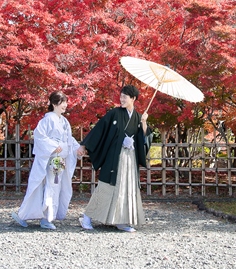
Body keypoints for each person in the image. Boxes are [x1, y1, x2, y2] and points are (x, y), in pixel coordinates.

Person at [76, 84, 152, 232]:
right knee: (106, 187)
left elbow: (145, 139)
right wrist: (84, 145)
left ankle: (121, 220)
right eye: (121, 96)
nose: (121, 99)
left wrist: (144, 123)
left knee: (127, 187)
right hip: (114, 157)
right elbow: (100, 129)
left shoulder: (138, 117)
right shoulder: (115, 113)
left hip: (130, 158)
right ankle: (87, 217)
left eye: (125, 97)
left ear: (133, 98)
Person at [11, 91, 80, 230]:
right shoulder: (47, 120)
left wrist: (78, 148)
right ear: (54, 104)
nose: (65, 105)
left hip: (59, 159)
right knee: (49, 186)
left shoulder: (64, 121)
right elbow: (39, 136)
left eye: (66, 102)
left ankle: (46, 216)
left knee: (55, 186)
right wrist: (54, 146)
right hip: (51, 158)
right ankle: (44, 218)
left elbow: (69, 140)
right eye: (62, 102)